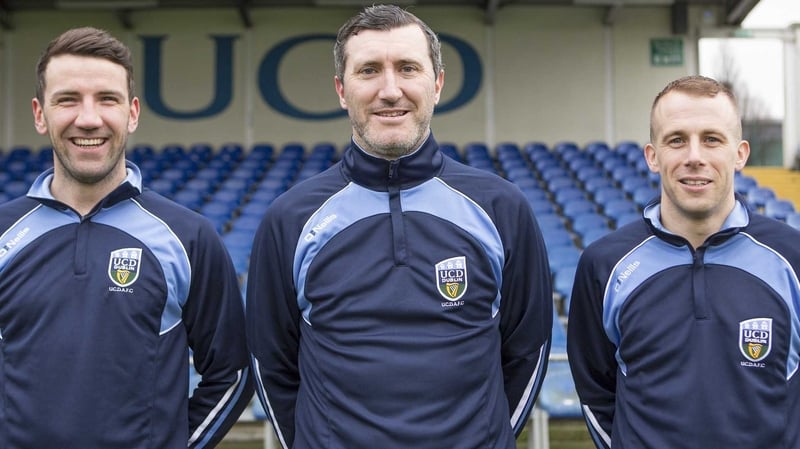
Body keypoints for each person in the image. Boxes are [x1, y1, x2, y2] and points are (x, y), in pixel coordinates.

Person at [246, 4, 553, 448]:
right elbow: (270, 362)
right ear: (341, 90)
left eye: (408, 68)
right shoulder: (290, 219)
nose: (390, 90)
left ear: (438, 84)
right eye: (369, 70)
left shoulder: (502, 208)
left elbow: (528, 350)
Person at [0, 27, 254, 448]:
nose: (88, 118)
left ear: (132, 113)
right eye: (67, 99)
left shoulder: (188, 237)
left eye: (107, 99)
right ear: (39, 113)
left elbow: (234, 372)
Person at [567, 75, 800, 449]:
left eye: (712, 139)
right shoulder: (604, 265)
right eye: (677, 140)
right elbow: (597, 392)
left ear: (739, 153)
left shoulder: (792, 259)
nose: (694, 157)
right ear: (652, 156)